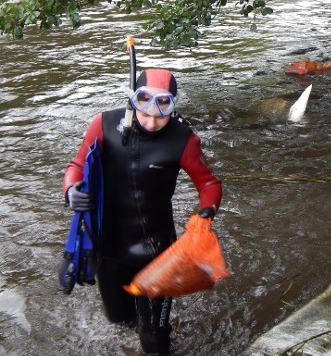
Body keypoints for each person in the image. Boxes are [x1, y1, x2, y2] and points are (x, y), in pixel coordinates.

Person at [62, 68, 222, 355]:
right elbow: (76, 166)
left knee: (155, 338)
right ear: (132, 102)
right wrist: (72, 191)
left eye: (161, 115)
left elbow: (208, 183)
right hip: (109, 250)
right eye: (144, 112)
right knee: (120, 320)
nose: (150, 122)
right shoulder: (103, 124)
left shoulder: (182, 139)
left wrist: (206, 213)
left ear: (172, 107)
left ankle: (153, 330)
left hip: (158, 252)